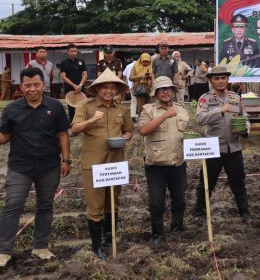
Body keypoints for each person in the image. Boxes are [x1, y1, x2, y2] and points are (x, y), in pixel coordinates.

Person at [0, 67, 71, 267]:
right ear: (21, 86)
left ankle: (40, 247)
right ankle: (4, 250)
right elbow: (4, 137)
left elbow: (63, 134)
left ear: (44, 85)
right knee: (12, 205)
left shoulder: (55, 107)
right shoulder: (12, 109)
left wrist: (66, 160)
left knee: (46, 205)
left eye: (36, 85)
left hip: (49, 166)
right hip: (20, 167)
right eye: (28, 85)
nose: (32, 89)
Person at [70, 69, 132, 259]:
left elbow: (129, 130)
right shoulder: (85, 106)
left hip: (115, 162)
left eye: (112, 87)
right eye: (104, 87)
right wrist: (92, 120)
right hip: (93, 163)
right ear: (97, 90)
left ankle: (109, 238)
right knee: (95, 205)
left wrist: (124, 138)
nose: (108, 91)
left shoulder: (122, 108)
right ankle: (96, 246)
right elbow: (74, 129)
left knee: (112, 202)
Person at [194, 66, 251, 225]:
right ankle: (200, 213)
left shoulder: (235, 98)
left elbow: (245, 118)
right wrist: (219, 110)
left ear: (227, 79)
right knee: (206, 182)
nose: (220, 81)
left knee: (238, 182)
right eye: (216, 78)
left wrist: (244, 130)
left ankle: (244, 213)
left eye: (223, 78)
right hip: (213, 147)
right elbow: (199, 119)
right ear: (211, 81)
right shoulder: (205, 99)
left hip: (233, 147)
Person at [138, 76, 190, 245]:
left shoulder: (182, 109)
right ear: (155, 93)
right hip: (156, 165)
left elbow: (186, 134)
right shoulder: (148, 110)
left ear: (174, 91)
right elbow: (144, 130)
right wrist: (165, 115)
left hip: (178, 163)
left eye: (169, 89)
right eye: (162, 89)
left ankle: (177, 228)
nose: (166, 91)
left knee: (180, 199)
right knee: (156, 201)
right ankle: (157, 234)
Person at [59, 43, 88, 121]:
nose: (74, 53)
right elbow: (63, 76)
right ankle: (72, 125)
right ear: (67, 52)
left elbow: (85, 74)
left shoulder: (81, 61)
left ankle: (81, 123)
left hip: (80, 87)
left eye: (75, 51)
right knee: (71, 108)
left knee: (82, 106)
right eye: (72, 51)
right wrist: (73, 85)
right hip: (69, 88)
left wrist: (80, 85)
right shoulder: (64, 62)